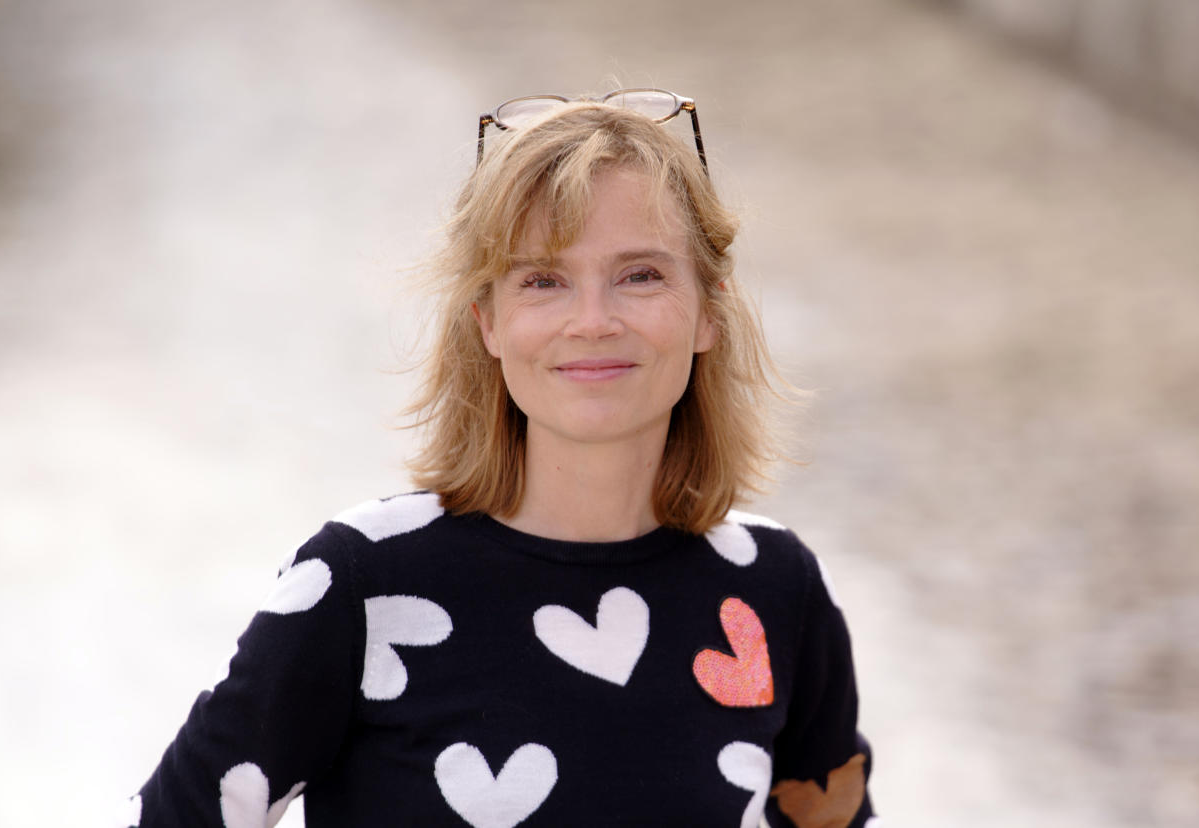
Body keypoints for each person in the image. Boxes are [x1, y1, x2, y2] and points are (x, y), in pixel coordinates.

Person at [123, 89, 879, 828]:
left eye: (640, 275)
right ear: (487, 323)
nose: (592, 321)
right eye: (542, 281)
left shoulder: (776, 588)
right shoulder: (362, 581)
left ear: (709, 311)